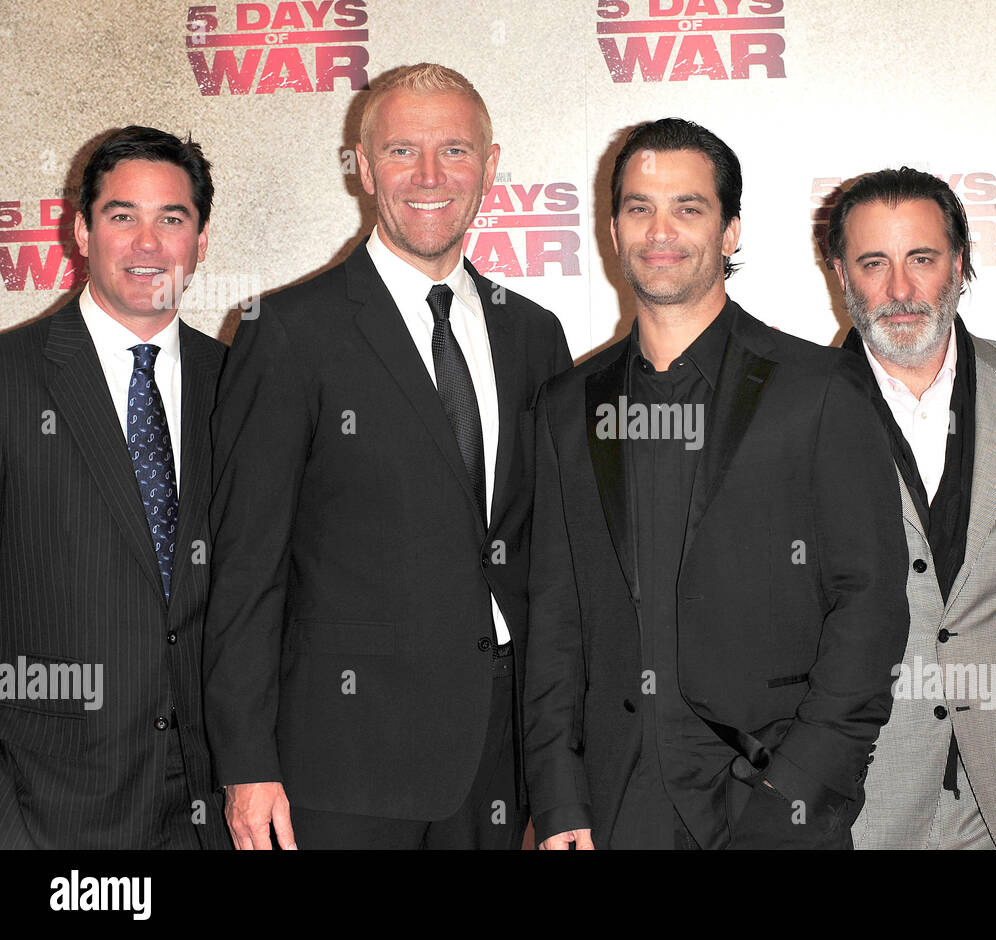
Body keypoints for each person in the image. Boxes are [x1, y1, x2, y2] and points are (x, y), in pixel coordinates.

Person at [204, 63, 570, 850]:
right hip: (342, 766)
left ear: (491, 166)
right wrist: (246, 763)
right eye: (402, 151)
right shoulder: (288, 331)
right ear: (364, 168)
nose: (430, 176)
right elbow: (244, 566)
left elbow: (551, 555)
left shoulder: (533, 334)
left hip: (500, 754)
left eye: (455, 151)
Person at [523, 118, 909, 850]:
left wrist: (799, 789)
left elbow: (871, 608)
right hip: (613, 811)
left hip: (768, 804)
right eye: (639, 207)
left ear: (731, 232)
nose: (660, 230)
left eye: (688, 208)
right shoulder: (566, 408)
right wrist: (560, 801)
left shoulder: (820, 390)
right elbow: (555, 622)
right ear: (612, 230)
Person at [0, 126, 227, 848]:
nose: (147, 243)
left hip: (215, 806)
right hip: (53, 812)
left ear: (201, 239)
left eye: (173, 219)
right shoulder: (10, 378)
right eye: (122, 216)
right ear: (80, 230)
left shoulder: (243, 387)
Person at [827, 168, 996, 849]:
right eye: (874, 263)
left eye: (922, 259)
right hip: (861, 805)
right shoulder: (793, 412)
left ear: (959, 264)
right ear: (841, 273)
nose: (900, 291)